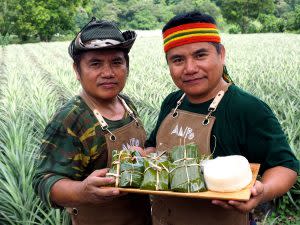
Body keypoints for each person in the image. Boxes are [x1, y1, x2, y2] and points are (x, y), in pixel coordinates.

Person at [145, 11, 299, 225]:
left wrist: (261, 193)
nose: (190, 68)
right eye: (178, 59)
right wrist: (141, 158)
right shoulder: (172, 102)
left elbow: (285, 167)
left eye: (200, 55)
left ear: (221, 54)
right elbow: (154, 147)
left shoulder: (246, 108)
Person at [33, 18, 151, 225]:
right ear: (77, 71)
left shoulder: (127, 104)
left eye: (117, 62)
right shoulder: (71, 118)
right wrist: (83, 191)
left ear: (127, 66)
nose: (108, 73)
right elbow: (44, 181)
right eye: (95, 64)